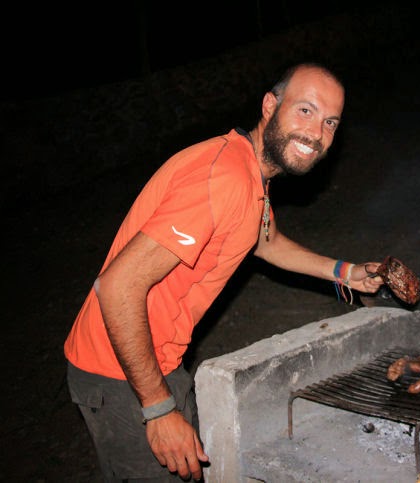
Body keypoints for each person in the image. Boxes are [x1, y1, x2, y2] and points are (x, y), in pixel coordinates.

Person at [64, 62, 385, 482]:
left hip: (155, 359)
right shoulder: (226, 176)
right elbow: (117, 286)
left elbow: (264, 240)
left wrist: (345, 272)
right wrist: (158, 408)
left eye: (329, 122)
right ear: (271, 105)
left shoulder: (250, 168)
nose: (315, 133)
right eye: (304, 110)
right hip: (119, 373)